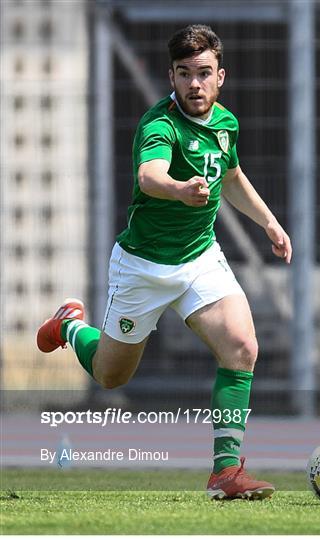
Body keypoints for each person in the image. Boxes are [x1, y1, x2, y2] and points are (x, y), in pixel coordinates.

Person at [37, 24, 292, 500]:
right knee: (113, 377)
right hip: (143, 266)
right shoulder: (160, 126)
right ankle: (71, 326)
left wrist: (269, 223)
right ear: (170, 77)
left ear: (221, 77)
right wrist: (179, 188)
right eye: (183, 74)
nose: (194, 84)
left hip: (199, 259)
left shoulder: (226, 123)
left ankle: (225, 473)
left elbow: (231, 174)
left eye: (203, 73)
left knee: (242, 346)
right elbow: (149, 175)